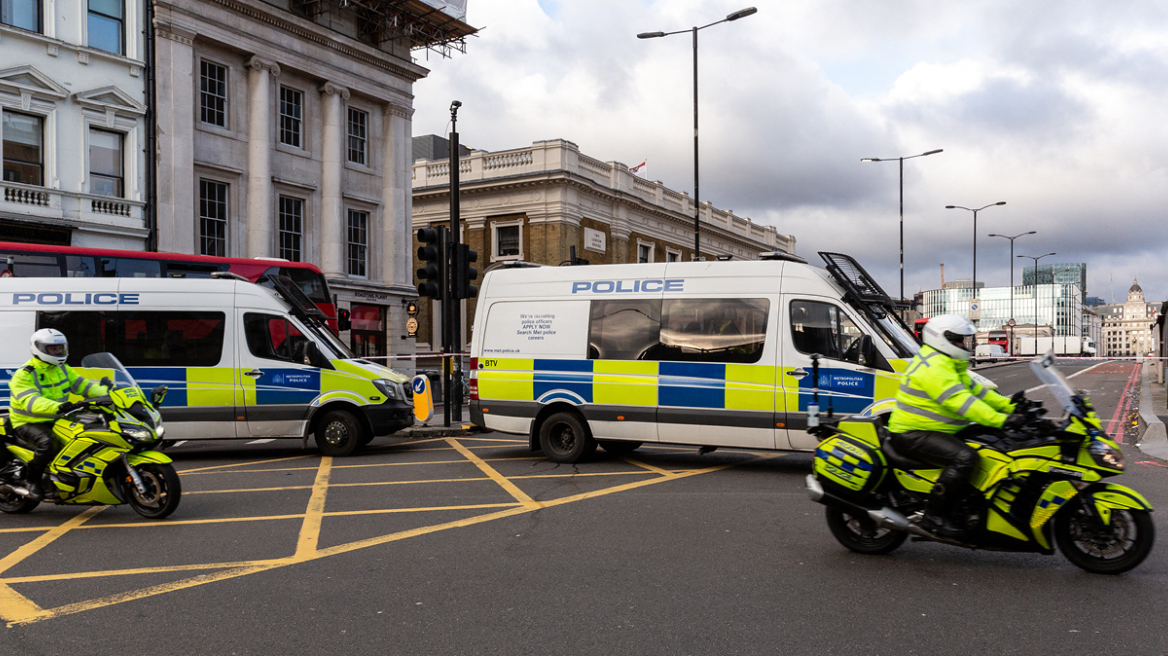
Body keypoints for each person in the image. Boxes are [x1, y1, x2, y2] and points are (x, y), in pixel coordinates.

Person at [887, 315, 1024, 537]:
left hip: (935, 430)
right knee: (966, 458)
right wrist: (1002, 419)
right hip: (912, 434)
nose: (965, 345)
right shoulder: (934, 367)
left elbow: (979, 394)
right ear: (944, 339)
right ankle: (933, 516)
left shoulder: (949, 364)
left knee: (989, 442)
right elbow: (963, 403)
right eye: (960, 340)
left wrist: (1011, 406)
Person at [6, 329, 109, 500]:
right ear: (39, 349)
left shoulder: (63, 369)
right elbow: (31, 401)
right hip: (28, 422)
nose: (58, 352)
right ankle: (33, 480)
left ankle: (71, 477)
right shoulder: (24, 374)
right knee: (48, 442)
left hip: (58, 417)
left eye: (60, 348)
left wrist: (111, 394)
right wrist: (58, 407)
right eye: (52, 349)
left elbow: (85, 386)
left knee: (87, 434)